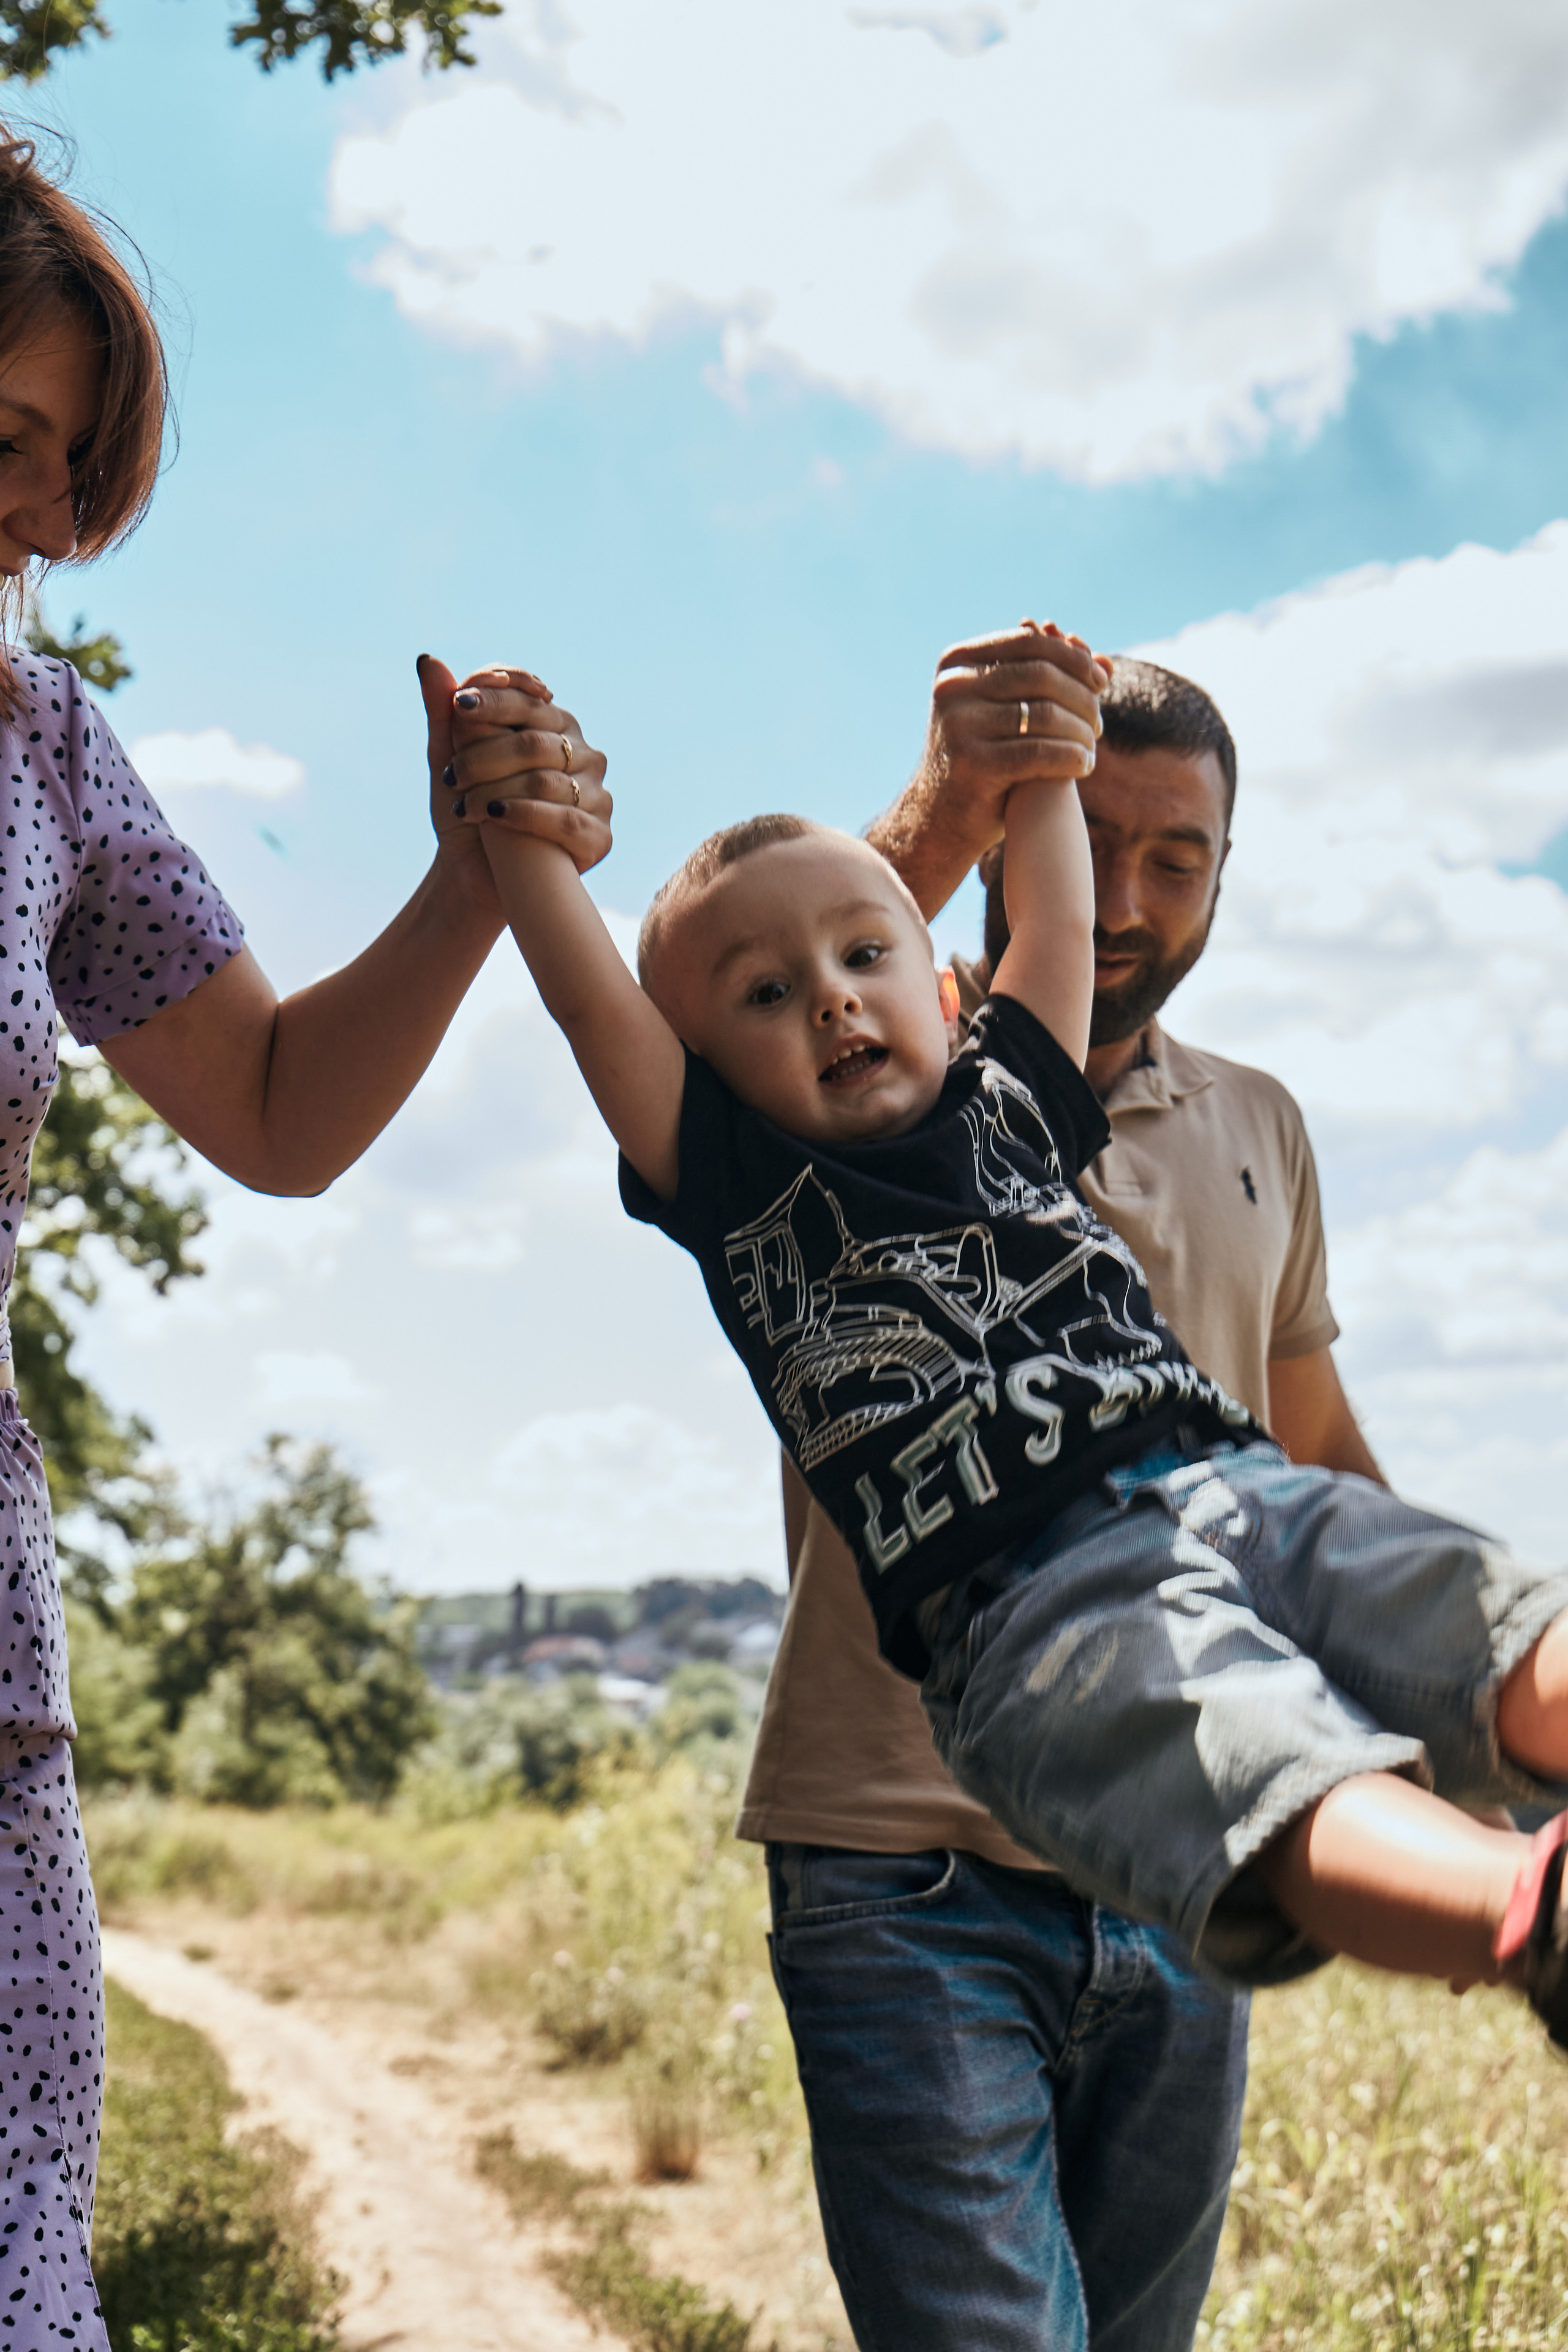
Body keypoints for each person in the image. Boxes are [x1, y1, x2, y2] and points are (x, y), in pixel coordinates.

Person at [467, 628, 1568, 2071]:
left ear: (936, 985)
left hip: (1224, 1483)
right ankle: (1529, 1914)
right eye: (762, 995)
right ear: (700, 1073)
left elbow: (1047, 922)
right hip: (1035, 1605)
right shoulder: (735, 1188)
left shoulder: (1006, 1096)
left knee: (1459, 1602)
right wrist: (517, 832)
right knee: (1249, 1761)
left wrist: (1051, 755)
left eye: (862, 956)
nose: (829, 998)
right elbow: (582, 997)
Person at [0, 128, 605, 2343]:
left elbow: (273, 1108)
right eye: (11, 444)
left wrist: (475, 866)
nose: (45, 527)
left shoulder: (46, 755)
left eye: (74, 484)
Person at [730, 632, 1378, 2351]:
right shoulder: (849, 1080)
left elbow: (1320, 1453)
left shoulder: (1264, 1123)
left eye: (1185, 859)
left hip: (1189, 1859)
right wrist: (948, 799)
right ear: (1038, 847)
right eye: (1102, 845)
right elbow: (729, 979)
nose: (1143, 898)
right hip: (911, 1867)